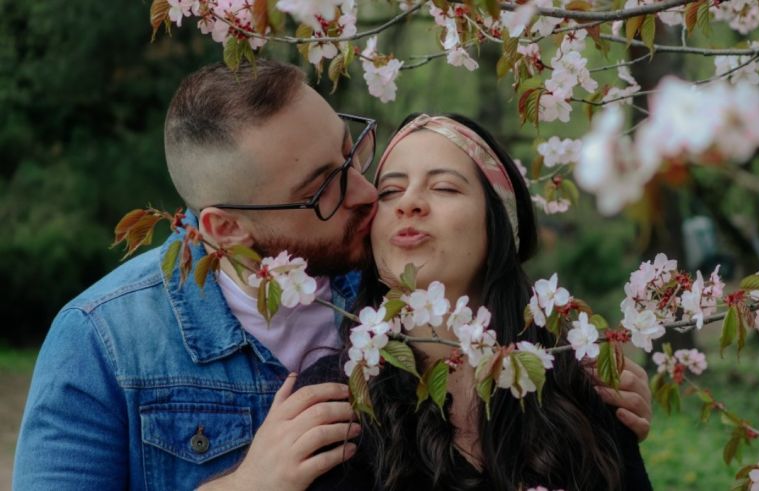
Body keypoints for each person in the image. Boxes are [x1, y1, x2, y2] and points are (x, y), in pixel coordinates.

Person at [13, 60, 651, 491]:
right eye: (322, 189)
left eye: (352, 153)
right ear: (227, 229)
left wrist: (586, 390)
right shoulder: (104, 340)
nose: (369, 194)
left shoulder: (381, 290)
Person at [337, 113, 653, 490]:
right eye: (389, 192)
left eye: (443, 187)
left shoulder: (580, 382)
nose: (409, 203)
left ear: (498, 222)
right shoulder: (339, 400)